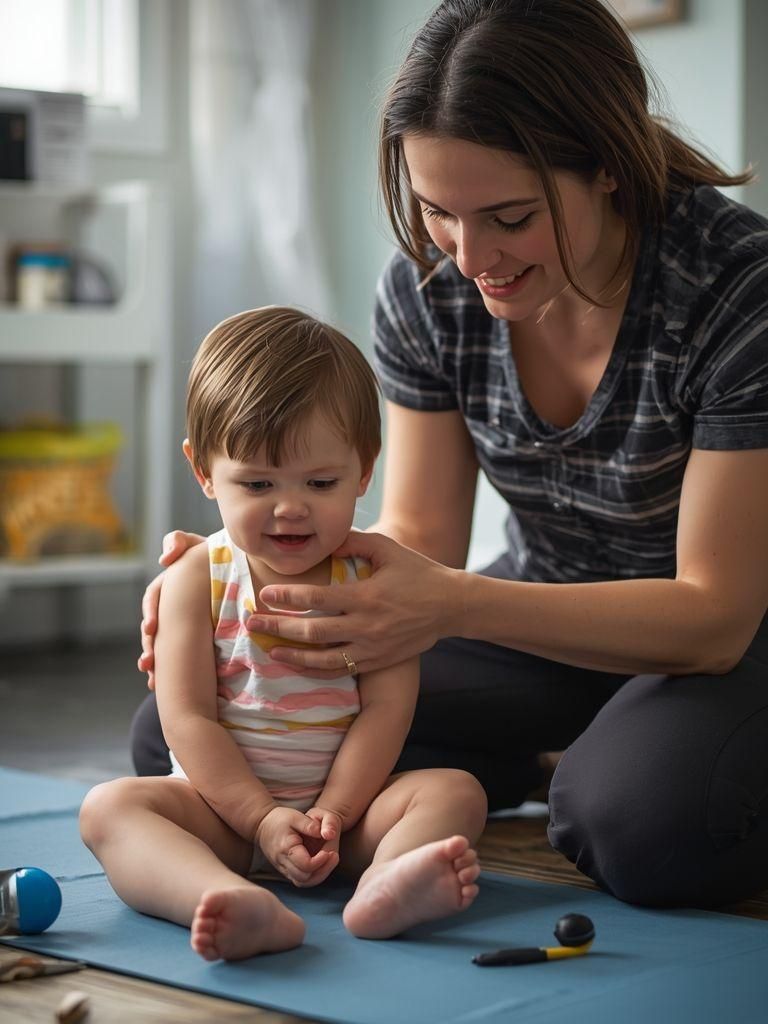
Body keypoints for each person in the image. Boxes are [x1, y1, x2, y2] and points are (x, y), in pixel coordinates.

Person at [132, 0, 768, 910]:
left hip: (728, 645)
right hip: (533, 623)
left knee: (636, 826)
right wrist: (248, 580)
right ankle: (567, 752)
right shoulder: (430, 289)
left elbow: (714, 620)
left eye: (509, 217)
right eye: (439, 212)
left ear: (608, 168)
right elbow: (420, 533)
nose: (472, 257)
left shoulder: (737, 293)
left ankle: (608, 761)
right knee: (188, 728)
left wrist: (456, 605)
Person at [80, 307, 487, 962]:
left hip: (345, 822)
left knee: (454, 793)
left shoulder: (375, 580)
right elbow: (186, 719)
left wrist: (336, 812)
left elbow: (386, 710)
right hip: (222, 818)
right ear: (205, 471)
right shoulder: (196, 578)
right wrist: (261, 821)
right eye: (258, 483)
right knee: (109, 808)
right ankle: (223, 896)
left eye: (320, 482)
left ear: (364, 469)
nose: (290, 506)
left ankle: (385, 885)